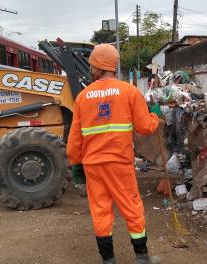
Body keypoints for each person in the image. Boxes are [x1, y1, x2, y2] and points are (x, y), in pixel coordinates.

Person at [67, 44, 160, 264]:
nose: (90, 68)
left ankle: (108, 260)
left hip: (93, 166)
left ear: (97, 66)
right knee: (132, 207)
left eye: (91, 65)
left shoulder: (83, 97)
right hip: (119, 164)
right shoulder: (129, 91)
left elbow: (74, 139)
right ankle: (142, 257)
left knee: (100, 211)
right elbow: (145, 127)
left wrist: (75, 163)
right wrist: (154, 115)